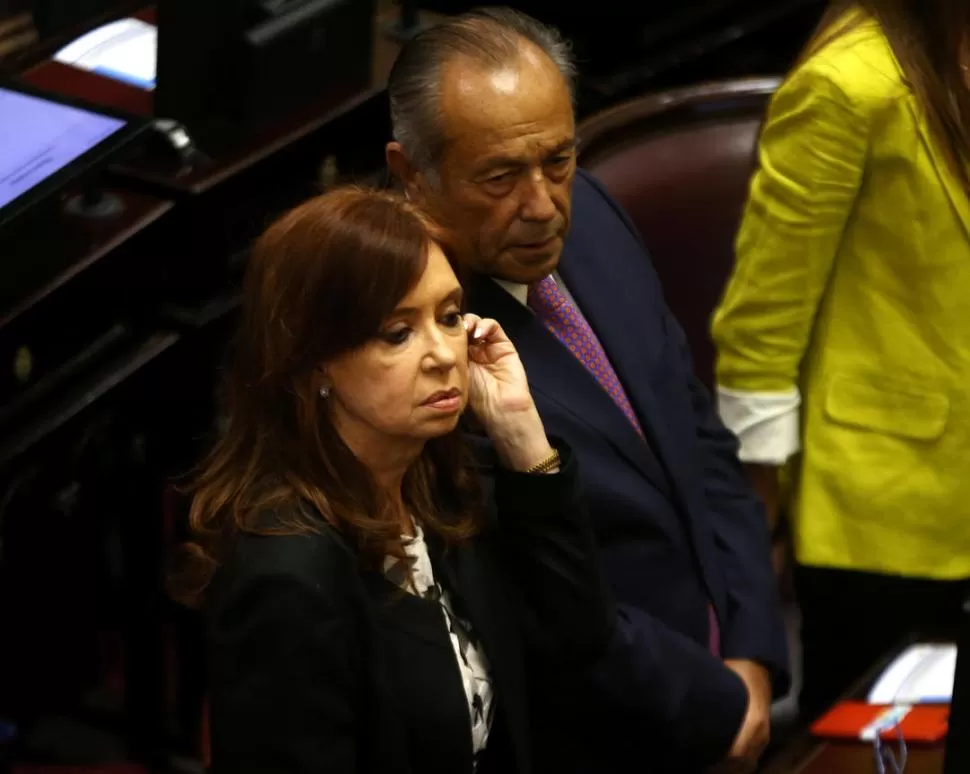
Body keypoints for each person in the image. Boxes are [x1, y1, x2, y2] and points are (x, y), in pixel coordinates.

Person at [385, 8, 790, 774]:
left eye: (559, 160)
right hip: (604, 736)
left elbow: (700, 442)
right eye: (500, 177)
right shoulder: (423, 354)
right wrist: (718, 705)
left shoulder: (594, 216)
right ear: (412, 174)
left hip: (724, 679)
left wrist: (753, 652)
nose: (543, 205)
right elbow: (549, 611)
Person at [174, 187, 615, 774]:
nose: (444, 354)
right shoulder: (288, 576)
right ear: (315, 361)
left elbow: (579, 642)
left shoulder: (440, 475)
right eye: (397, 332)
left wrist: (520, 435)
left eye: (450, 317)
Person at [711, 0, 970, 721]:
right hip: (883, 513)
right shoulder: (848, 85)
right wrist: (755, 524)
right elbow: (762, 326)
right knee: (883, 751)